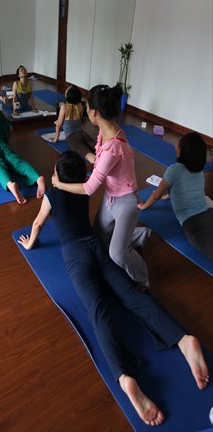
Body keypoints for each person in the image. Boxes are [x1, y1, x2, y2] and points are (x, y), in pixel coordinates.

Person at [18, 151, 209, 426]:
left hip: (76, 256)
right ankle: (182, 339)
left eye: (55, 173)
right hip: (97, 248)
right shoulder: (83, 192)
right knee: (131, 294)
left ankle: (125, 377)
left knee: (98, 309)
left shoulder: (53, 195)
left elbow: (37, 223)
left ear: (58, 177)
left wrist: (30, 243)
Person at [52, 84, 150, 287]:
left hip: (126, 203)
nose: (85, 109)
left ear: (94, 112)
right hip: (111, 197)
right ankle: (139, 235)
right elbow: (100, 161)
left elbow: (88, 188)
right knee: (98, 237)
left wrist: (59, 184)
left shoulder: (113, 145)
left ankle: (143, 277)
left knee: (116, 254)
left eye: (87, 107)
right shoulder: (105, 131)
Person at [140, 132, 213, 261]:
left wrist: (143, 206)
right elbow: (187, 187)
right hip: (208, 212)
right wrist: (169, 195)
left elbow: (156, 195)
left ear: (182, 150)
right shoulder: (198, 168)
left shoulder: (174, 170)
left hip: (193, 222)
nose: (178, 141)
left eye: (180, 141)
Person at [51, 85, 96, 164]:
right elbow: (81, 119)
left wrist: (55, 139)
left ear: (67, 96)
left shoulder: (64, 107)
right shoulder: (80, 106)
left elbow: (58, 125)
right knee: (95, 146)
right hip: (82, 133)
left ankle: (98, 163)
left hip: (71, 136)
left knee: (84, 151)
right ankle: (107, 155)